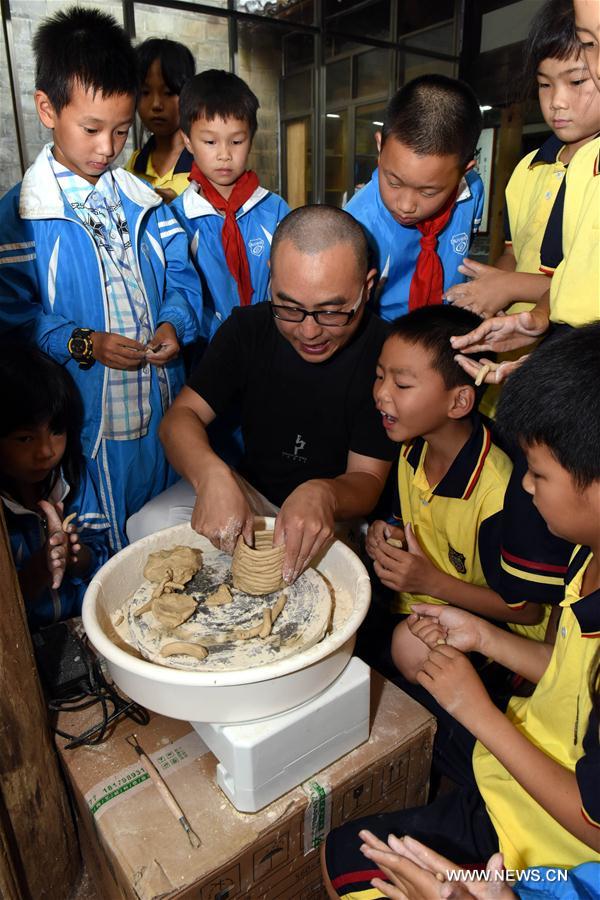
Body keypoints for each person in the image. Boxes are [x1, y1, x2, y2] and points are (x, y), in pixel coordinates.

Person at [322, 323, 600, 899]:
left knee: (351, 868)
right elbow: (571, 673)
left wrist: (478, 713)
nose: (525, 486)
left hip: (550, 857)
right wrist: (483, 637)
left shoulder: (503, 496)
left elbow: (593, 826)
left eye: (540, 475)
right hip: (519, 758)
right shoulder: (587, 554)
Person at [0, 7, 202, 551]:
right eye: (91, 129)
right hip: (87, 430)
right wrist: (84, 342)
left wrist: (172, 324)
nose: (107, 148)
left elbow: (184, 281)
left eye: (120, 129)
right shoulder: (21, 217)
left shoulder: (148, 203)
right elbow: (13, 325)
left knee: (173, 545)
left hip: (164, 413)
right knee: (103, 555)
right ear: (46, 107)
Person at [127, 205, 397, 582]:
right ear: (271, 282)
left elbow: (367, 479)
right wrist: (210, 475)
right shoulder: (248, 330)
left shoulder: (386, 353)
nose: (309, 332)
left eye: (332, 313)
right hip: (253, 497)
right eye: (288, 308)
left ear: (367, 288)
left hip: (335, 515)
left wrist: (323, 494)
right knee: (148, 525)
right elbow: (179, 420)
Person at [365, 306, 542, 684]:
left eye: (402, 384)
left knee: (407, 647)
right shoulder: (413, 448)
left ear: (459, 401)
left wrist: (430, 583)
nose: (381, 393)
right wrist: (390, 535)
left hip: (498, 634)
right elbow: (409, 525)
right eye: (380, 376)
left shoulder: (498, 492)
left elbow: (527, 611)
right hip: (424, 603)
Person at [445, 0, 600, 325]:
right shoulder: (529, 168)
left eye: (577, 82)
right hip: (513, 339)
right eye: (545, 85)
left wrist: (510, 286)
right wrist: (490, 285)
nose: (557, 101)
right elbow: (514, 252)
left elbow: (583, 287)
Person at [345, 75, 484, 321]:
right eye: (394, 182)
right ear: (380, 146)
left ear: (465, 170)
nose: (406, 205)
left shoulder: (472, 191)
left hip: (449, 325)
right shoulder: (357, 224)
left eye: (428, 192)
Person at [172, 69, 290, 343]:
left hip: (270, 344)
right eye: (210, 142)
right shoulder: (177, 218)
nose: (224, 154)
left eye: (236, 141)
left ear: (251, 138)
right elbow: (178, 294)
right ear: (188, 140)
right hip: (206, 354)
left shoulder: (276, 211)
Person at [0, 345, 110, 631]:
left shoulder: (73, 478)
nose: (46, 451)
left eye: (56, 432)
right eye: (25, 438)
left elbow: (100, 555)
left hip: (82, 626)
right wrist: (41, 568)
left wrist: (75, 556)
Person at [125, 38, 196, 202]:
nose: (156, 104)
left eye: (169, 92)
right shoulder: (134, 164)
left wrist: (178, 207)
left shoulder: (207, 161)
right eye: (145, 92)